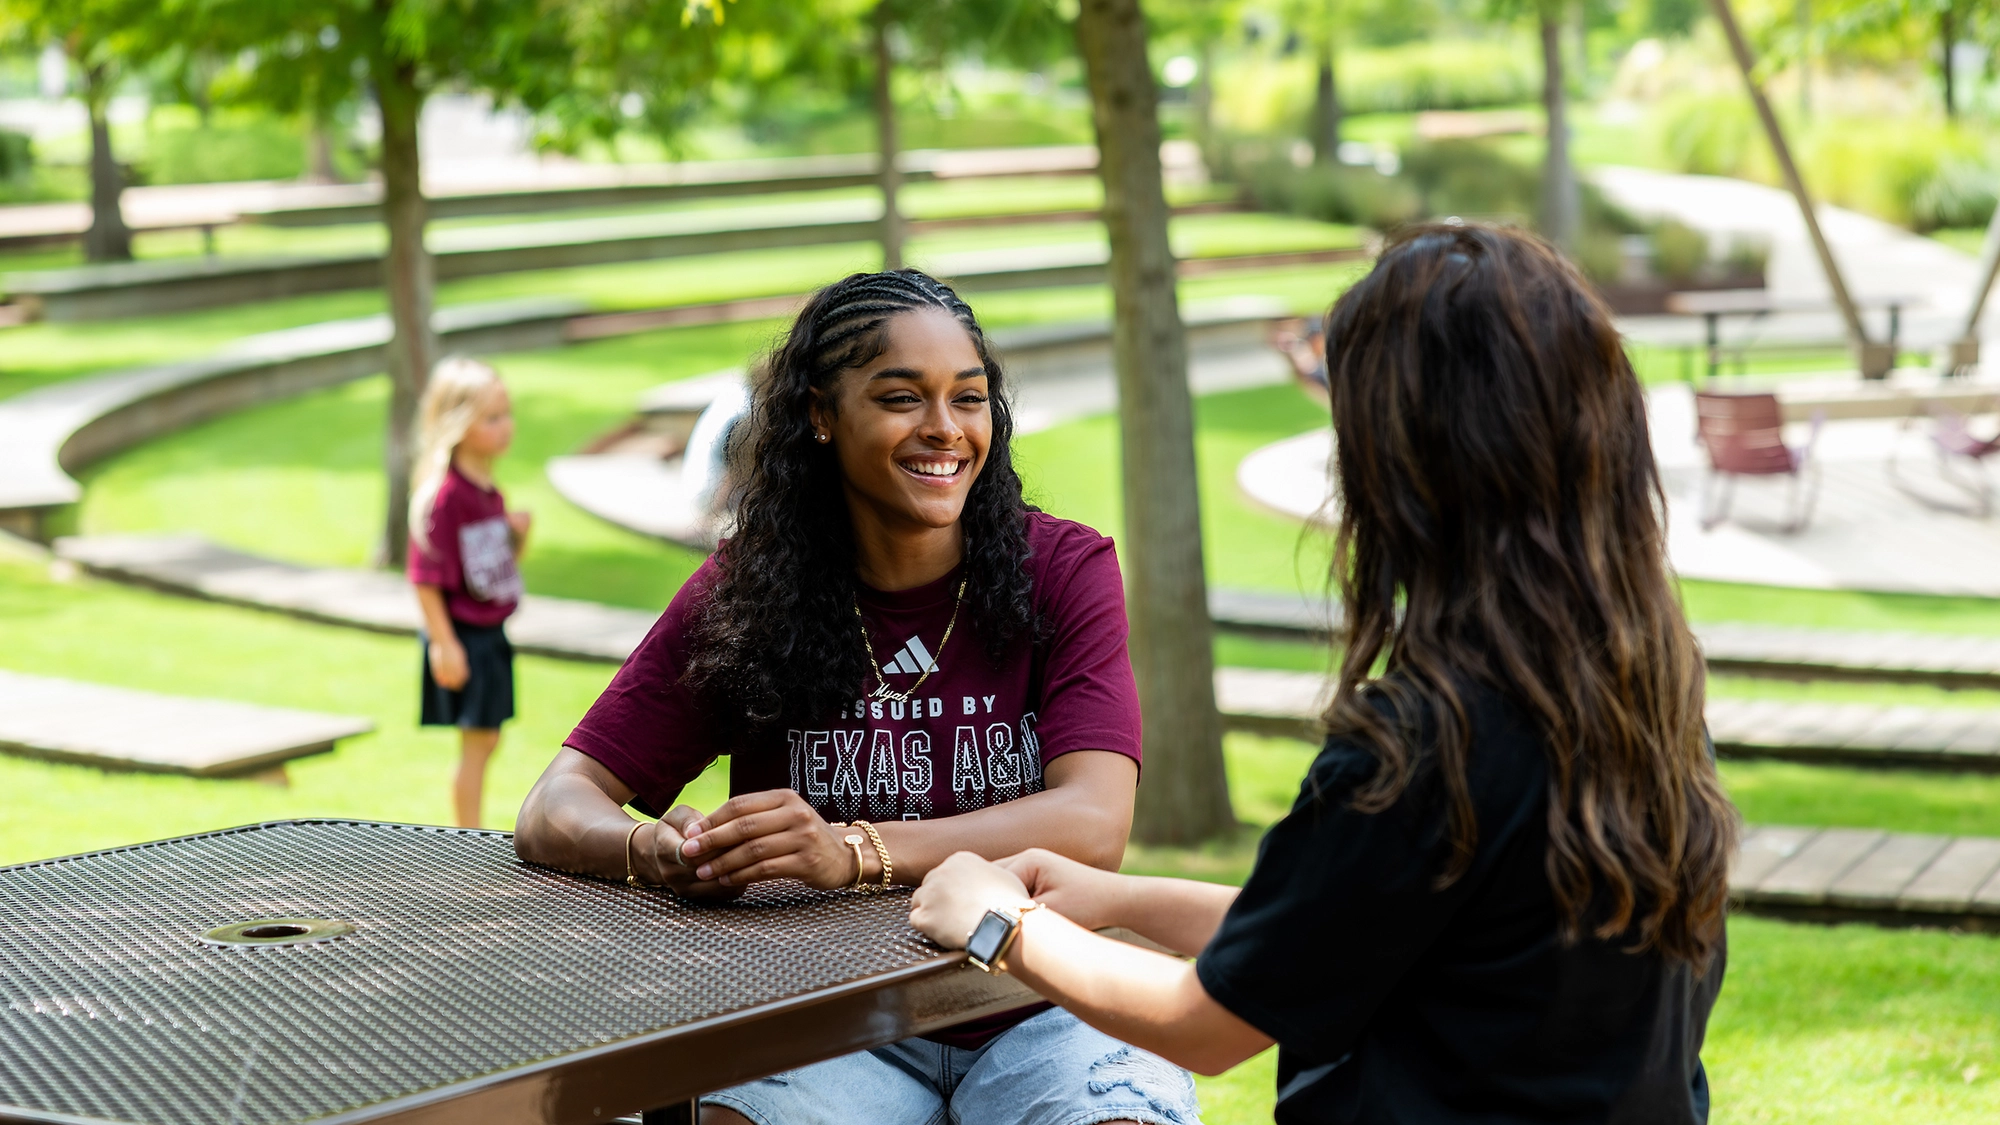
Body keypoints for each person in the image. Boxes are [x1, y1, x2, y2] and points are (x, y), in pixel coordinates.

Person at [911, 223, 1739, 1125]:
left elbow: (1204, 1025)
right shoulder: (1638, 685)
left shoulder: (1427, 746)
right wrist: (1118, 898)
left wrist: (1001, 924)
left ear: (1415, 463)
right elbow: (1352, 926)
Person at [514, 269, 1200, 1125]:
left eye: (970, 398)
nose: (945, 429)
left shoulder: (1063, 570)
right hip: (827, 1026)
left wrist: (852, 850)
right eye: (903, 397)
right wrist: (649, 846)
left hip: (1041, 1004)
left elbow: (1093, 822)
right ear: (820, 414)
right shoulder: (744, 596)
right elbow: (555, 804)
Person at [408, 355, 530, 829]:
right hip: (464, 636)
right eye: (492, 418)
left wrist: (516, 536)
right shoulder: (447, 496)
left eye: (507, 413)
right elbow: (424, 576)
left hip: (490, 634)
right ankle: (468, 836)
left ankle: (469, 829)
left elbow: (492, 572)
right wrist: (443, 643)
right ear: (458, 424)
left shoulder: (488, 492)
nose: (506, 427)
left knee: (487, 741)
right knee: (478, 744)